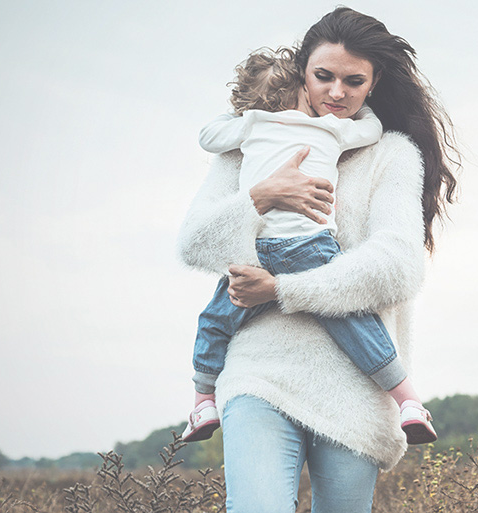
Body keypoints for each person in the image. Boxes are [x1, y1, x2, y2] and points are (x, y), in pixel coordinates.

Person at [177, 7, 459, 512]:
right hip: (257, 373)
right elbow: (195, 244)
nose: (336, 92)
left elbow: (397, 267)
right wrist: (261, 197)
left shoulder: (390, 154)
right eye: (323, 76)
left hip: (356, 384)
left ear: (373, 85)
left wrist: (283, 291)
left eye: (354, 81)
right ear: (301, 72)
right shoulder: (249, 141)